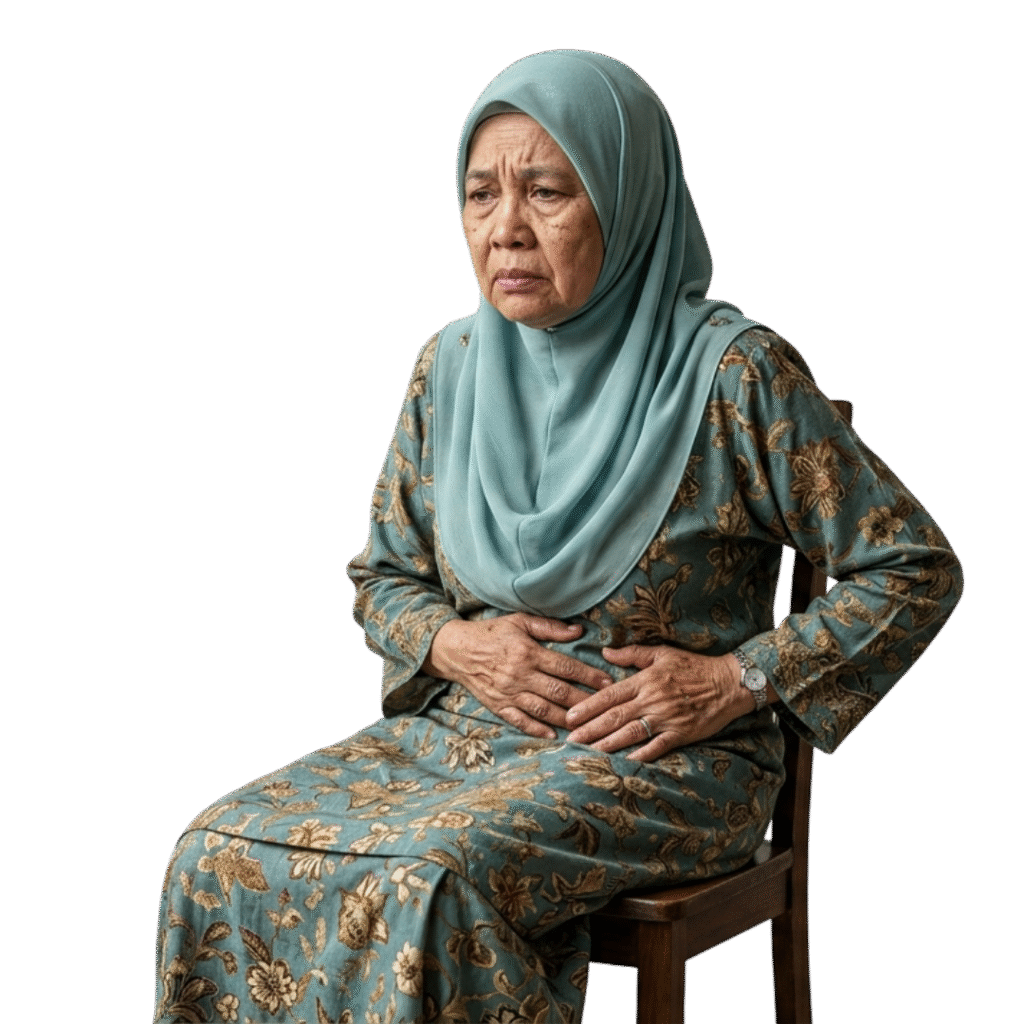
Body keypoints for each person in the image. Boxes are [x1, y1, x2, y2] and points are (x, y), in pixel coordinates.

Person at [153, 51, 962, 1024]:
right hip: (456, 735)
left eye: (546, 191)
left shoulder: (733, 378)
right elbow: (382, 579)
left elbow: (912, 566)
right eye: (479, 194)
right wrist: (457, 646)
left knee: (426, 879)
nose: (504, 227)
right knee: (214, 850)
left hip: (664, 760)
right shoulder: (449, 369)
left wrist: (734, 679)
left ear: (627, 201)